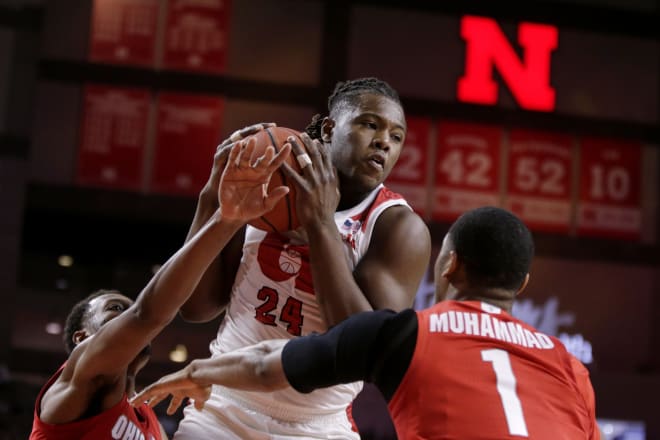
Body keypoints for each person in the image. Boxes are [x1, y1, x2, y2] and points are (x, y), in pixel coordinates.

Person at [132, 207, 600, 440]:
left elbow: (262, 366)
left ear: (449, 265)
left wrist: (195, 372)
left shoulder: (409, 332)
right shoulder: (569, 367)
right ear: (522, 284)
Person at [173, 77, 431, 438]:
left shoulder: (397, 226)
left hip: (317, 426)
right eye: (370, 124)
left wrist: (320, 224)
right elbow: (196, 307)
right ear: (329, 128)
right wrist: (212, 195)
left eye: (397, 136)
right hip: (224, 407)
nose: (383, 142)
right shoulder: (266, 177)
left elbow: (364, 352)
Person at [29, 139, 293, 439]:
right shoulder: (80, 372)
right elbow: (148, 314)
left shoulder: (146, 420)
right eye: (115, 309)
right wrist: (225, 217)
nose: (127, 313)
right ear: (82, 337)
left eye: (126, 308)